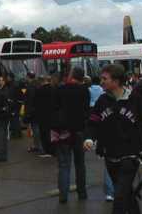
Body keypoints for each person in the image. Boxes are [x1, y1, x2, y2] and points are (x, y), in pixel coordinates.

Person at [84, 64, 142, 214]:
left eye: (105, 79)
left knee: (120, 198)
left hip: (130, 157)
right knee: (127, 194)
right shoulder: (102, 101)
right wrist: (90, 138)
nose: (101, 81)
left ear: (116, 81)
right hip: (110, 157)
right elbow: (93, 123)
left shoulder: (135, 99)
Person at [52, 67, 90, 203]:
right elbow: (86, 110)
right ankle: (82, 192)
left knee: (64, 165)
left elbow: (54, 108)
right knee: (80, 163)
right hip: (79, 130)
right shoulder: (85, 91)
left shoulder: (61, 89)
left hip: (63, 132)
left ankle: (63, 195)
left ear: (71, 76)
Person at [88, 76, 114, 202]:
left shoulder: (101, 98)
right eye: (102, 79)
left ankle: (110, 192)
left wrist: (92, 139)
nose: (103, 82)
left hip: (109, 139)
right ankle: (116, 191)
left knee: (109, 166)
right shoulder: (103, 96)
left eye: (106, 78)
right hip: (114, 141)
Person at [24, 73, 42, 153]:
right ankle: (37, 145)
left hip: (33, 111)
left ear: (28, 77)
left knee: (36, 129)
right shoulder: (38, 84)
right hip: (38, 110)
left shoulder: (30, 86)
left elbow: (30, 100)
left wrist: (28, 112)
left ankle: (38, 146)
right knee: (36, 128)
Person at [5, 74, 24, 139]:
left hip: (14, 105)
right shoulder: (14, 85)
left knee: (14, 120)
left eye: (8, 77)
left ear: (11, 78)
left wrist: (14, 102)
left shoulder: (13, 86)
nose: (7, 78)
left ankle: (16, 134)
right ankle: (17, 133)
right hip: (15, 105)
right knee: (15, 120)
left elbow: (17, 96)